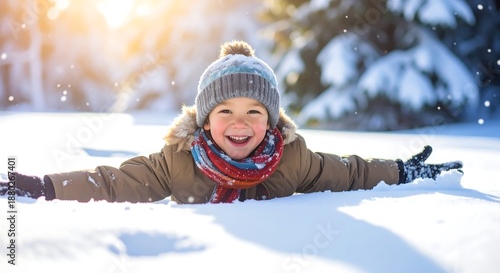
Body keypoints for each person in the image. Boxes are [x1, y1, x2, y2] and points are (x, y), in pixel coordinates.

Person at [0, 41, 463, 204]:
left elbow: (352, 171)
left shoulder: (294, 160)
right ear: (204, 121)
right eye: (225, 111)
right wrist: (44, 186)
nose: (239, 123)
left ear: (272, 120)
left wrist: (404, 171)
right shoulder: (178, 162)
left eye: (253, 113)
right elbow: (114, 181)